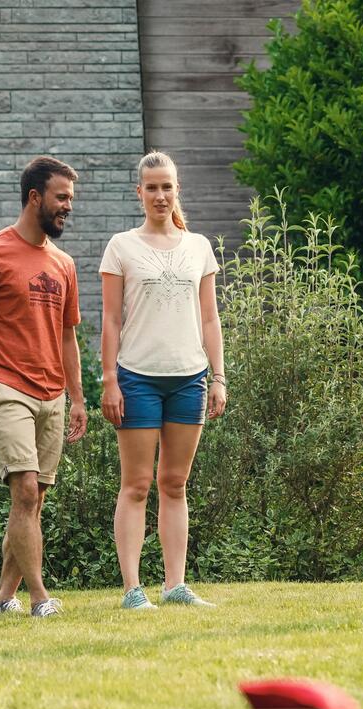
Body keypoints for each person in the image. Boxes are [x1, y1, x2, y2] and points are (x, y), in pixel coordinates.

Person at [0, 156, 88, 618]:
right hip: (4, 385)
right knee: (25, 491)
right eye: (61, 197)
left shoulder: (63, 263)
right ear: (35, 197)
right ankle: (39, 598)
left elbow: (68, 335)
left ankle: (3, 598)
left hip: (52, 391)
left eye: (70, 198)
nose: (68, 206)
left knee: (32, 500)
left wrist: (78, 399)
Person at [99, 151, 226, 610]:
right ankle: (133, 590)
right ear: (139, 193)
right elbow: (110, 321)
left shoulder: (199, 247)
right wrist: (109, 380)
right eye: (151, 187)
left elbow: (210, 320)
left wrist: (219, 377)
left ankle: (175, 586)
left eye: (167, 186)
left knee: (175, 484)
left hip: (189, 379)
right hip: (137, 379)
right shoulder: (121, 246)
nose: (159, 194)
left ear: (177, 190)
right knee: (135, 486)